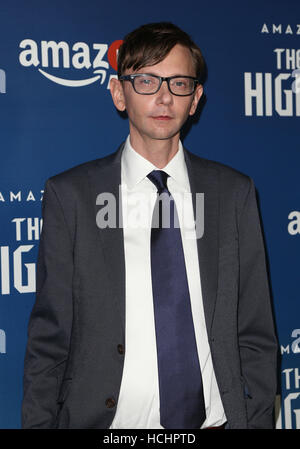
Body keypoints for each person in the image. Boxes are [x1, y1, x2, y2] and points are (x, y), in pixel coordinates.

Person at [22, 22, 278, 429]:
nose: (163, 97)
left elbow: (256, 333)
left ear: (195, 99)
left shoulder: (233, 193)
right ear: (119, 93)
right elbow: (49, 343)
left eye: (178, 83)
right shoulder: (70, 196)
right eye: (146, 80)